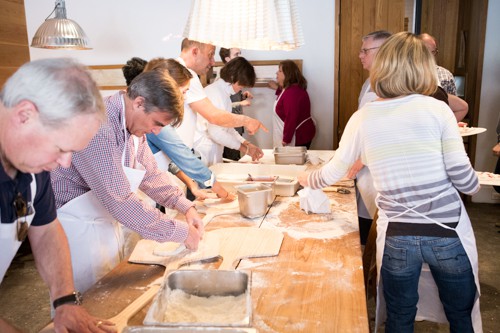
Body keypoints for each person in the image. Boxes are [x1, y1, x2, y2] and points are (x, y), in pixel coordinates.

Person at [299, 32, 481, 332]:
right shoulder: (437, 110)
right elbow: (466, 182)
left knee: (399, 316)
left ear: (382, 67)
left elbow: (331, 174)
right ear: (423, 68)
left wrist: (304, 177)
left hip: (399, 235)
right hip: (447, 233)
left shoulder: (364, 117)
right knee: (460, 316)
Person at [50, 69, 204, 293]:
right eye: (156, 123)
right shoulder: (98, 126)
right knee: (84, 303)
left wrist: (185, 205)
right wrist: (181, 233)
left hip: (101, 221)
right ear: (139, 103)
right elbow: (120, 201)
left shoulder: (132, 126)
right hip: (75, 230)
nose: (156, 131)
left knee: (107, 294)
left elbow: (150, 174)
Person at [0, 58, 115, 332]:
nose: (65, 163)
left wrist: (65, 300)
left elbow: (47, 229)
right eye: (61, 148)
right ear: (24, 115)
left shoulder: (32, 166)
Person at [123, 57, 232, 201]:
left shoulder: (153, 114)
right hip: (138, 198)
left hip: (152, 195)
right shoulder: (151, 118)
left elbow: (170, 160)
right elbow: (181, 154)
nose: (185, 98)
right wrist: (223, 193)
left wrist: (191, 185)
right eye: (184, 91)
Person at [175, 38, 267, 152]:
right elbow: (214, 118)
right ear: (195, 52)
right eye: (210, 55)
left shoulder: (185, 73)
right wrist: (247, 122)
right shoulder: (187, 76)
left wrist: (245, 143)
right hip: (195, 148)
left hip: (186, 149)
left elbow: (226, 125)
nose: (213, 62)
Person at [195, 57, 263, 166]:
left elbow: (228, 128)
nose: (240, 89)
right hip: (204, 151)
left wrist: (246, 143)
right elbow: (216, 133)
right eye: (241, 86)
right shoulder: (215, 93)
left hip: (213, 150)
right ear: (232, 77)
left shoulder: (225, 94)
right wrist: (244, 149)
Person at [219, 47, 254, 161]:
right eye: (236, 54)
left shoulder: (231, 83)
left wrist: (243, 96)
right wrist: (241, 104)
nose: (239, 57)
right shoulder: (220, 86)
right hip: (226, 132)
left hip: (233, 128)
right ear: (227, 58)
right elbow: (222, 114)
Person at [272, 60, 316, 148]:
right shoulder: (290, 89)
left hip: (299, 136)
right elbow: (284, 98)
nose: (276, 73)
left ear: (288, 74)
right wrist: (277, 87)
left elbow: (291, 117)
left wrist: (286, 139)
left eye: (280, 71)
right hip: (298, 133)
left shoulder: (292, 93)